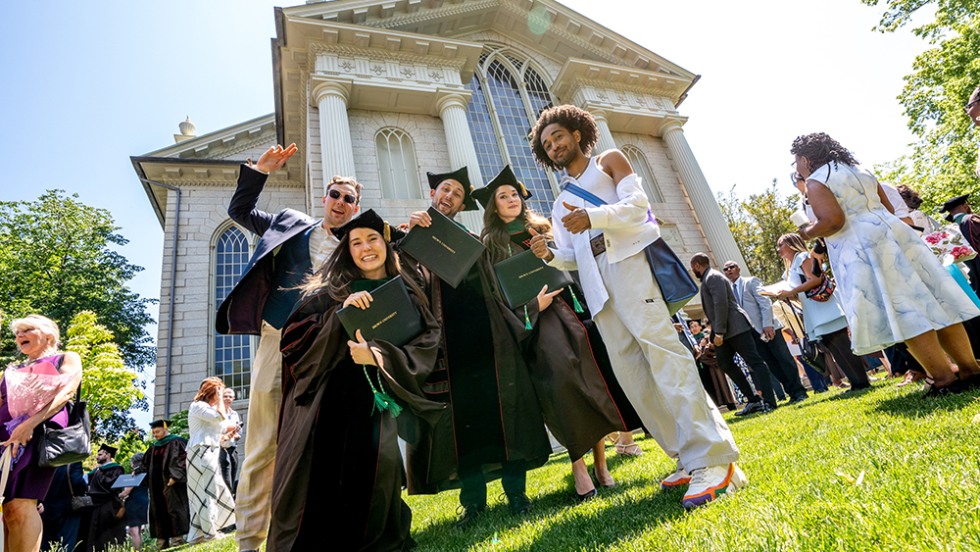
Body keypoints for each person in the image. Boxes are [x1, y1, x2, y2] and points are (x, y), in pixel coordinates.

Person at [527, 104, 743, 509]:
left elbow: (638, 206)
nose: (554, 145)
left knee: (665, 357)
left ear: (576, 133)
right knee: (631, 373)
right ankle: (683, 454)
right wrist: (549, 254)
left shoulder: (609, 161)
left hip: (630, 266)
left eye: (558, 136)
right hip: (597, 287)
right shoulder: (558, 205)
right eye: (546, 143)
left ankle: (714, 458)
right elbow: (574, 255)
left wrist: (592, 216)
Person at [214, 143, 361, 552]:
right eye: (335, 195)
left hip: (326, 350)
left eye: (349, 199)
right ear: (324, 198)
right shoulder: (291, 223)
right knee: (263, 441)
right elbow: (240, 212)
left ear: (355, 207)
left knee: (324, 439)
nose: (341, 203)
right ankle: (249, 541)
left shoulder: (359, 245)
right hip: (278, 339)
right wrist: (258, 172)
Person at [270, 209, 443, 552]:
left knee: (377, 477)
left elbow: (427, 341)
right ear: (347, 250)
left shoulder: (406, 291)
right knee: (322, 480)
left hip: (376, 402)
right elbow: (291, 340)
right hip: (328, 403)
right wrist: (340, 315)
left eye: (373, 239)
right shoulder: (330, 290)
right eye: (356, 242)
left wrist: (378, 356)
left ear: (386, 244)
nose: (366, 248)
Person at [400, 167, 552, 525]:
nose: (449, 196)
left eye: (456, 192)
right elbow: (404, 286)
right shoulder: (411, 238)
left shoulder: (472, 240)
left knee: (505, 413)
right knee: (464, 425)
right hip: (447, 348)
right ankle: (473, 503)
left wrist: (528, 309)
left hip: (489, 337)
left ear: (461, 202)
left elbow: (498, 286)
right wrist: (406, 238)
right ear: (433, 193)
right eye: (444, 189)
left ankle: (517, 495)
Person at [473, 165, 632, 500]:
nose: (511, 199)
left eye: (514, 193)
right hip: (537, 323)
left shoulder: (543, 227)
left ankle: (601, 463)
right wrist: (533, 307)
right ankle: (578, 465)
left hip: (571, 311)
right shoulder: (491, 244)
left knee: (588, 379)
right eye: (503, 196)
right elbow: (495, 293)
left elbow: (572, 263)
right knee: (561, 386)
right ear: (494, 207)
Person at [790, 132, 980, 395]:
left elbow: (834, 221)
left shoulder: (816, 180)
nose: (796, 167)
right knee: (937, 302)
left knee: (905, 311)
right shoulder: (860, 169)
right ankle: (970, 368)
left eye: (796, 161)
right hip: (897, 236)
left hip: (865, 249)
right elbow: (888, 208)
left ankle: (943, 378)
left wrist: (808, 231)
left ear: (805, 157)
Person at [2, 314, 83, 552]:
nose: (20, 336)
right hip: (4, 439)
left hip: (39, 436)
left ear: (48, 335)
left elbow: (67, 392)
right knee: (4, 510)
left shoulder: (66, 358)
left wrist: (29, 425)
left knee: (20, 505)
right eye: (17, 333)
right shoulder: (12, 370)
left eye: (27, 330)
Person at [773, 234, 872, 391]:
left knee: (843, 345)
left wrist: (791, 290)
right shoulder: (789, 269)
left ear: (792, 244)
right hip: (812, 312)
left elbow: (815, 279)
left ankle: (862, 381)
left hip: (825, 308)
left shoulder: (802, 257)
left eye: (781, 245)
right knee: (832, 347)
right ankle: (855, 382)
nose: (778, 249)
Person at [690, 254, 778, 414]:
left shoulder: (713, 277)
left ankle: (770, 402)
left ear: (696, 265)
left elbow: (720, 304)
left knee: (755, 362)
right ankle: (754, 400)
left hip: (736, 328)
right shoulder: (710, 278)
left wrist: (719, 332)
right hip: (727, 331)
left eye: (692, 268)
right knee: (724, 362)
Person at [723, 261, 808, 403]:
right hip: (753, 335)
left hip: (768, 328)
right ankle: (791, 393)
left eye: (732, 267)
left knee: (784, 359)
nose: (729, 270)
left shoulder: (751, 282)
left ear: (738, 268)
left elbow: (764, 303)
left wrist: (768, 325)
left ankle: (799, 391)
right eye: (726, 269)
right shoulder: (729, 291)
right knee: (772, 364)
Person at [186, 378, 236, 544]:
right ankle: (210, 533)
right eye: (219, 391)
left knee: (207, 490)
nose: (221, 395)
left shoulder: (207, 409)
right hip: (201, 452)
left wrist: (224, 437)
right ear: (211, 392)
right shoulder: (198, 406)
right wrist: (221, 399)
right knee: (207, 491)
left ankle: (197, 535)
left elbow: (217, 429)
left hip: (207, 451)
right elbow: (220, 419)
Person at [141, 419, 189, 549]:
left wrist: (176, 476)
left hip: (172, 485)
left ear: (165, 429)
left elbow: (183, 460)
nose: (155, 434)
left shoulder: (177, 442)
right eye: (153, 432)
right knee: (158, 512)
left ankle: (177, 540)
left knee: (174, 510)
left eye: (157, 431)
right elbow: (144, 464)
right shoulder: (154, 447)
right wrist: (137, 472)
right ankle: (161, 542)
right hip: (156, 487)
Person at [688, 319, 737, 411]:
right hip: (701, 367)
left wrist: (703, 349)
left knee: (721, 384)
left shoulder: (706, 337)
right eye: (692, 327)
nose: (694, 328)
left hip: (712, 365)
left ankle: (730, 404)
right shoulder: (691, 341)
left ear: (700, 327)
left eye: (695, 326)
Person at [86, 444, 126, 552]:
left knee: (107, 536)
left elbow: (112, 487)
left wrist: (98, 475)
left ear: (108, 455)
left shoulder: (117, 469)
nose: (97, 457)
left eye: (100, 454)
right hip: (94, 506)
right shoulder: (95, 471)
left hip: (109, 506)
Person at [40, 462, 86, 552]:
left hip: (48, 509)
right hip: (68, 509)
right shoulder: (74, 462)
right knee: (67, 543)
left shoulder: (47, 462)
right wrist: (85, 488)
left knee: (47, 544)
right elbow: (77, 481)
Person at [120, 453, 150, 551]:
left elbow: (127, 491)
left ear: (134, 462)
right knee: (139, 529)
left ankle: (137, 550)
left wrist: (119, 495)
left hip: (134, 503)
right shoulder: (147, 472)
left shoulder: (136, 473)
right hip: (144, 501)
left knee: (134, 531)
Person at [218, 388, 241, 497]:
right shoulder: (216, 412)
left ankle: (231, 495)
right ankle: (226, 497)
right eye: (225, 396)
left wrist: (236, 435)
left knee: (233, 472)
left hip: (232, 447)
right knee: (224, 474)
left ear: (233, 399)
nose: (228, 398)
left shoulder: (234, 414)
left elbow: (239, 431)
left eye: (230, 397)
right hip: (220, 448)